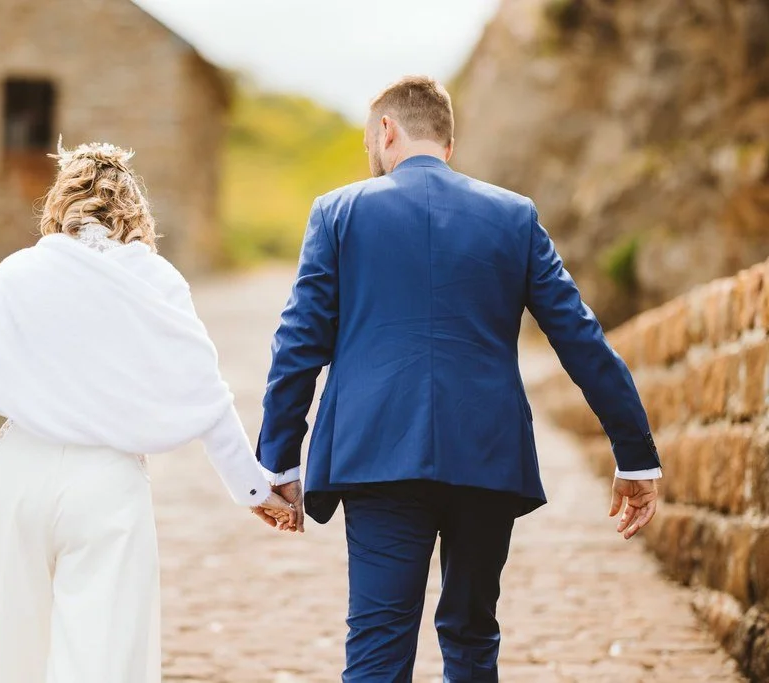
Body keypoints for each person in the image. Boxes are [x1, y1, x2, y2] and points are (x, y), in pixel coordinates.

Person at [256, 76, 663, 682]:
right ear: (448, 143)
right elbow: (580, 339)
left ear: (386, 131)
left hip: (376, 456)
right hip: (486, 455)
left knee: (377, 642)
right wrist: (634, 454)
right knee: (473, 635)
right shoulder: (514, 216)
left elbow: (298, 344)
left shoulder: (338, 213)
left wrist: (278, 463)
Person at [0, 141, 296, 683]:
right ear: (132, 210)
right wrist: (253, 488)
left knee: (20, 651)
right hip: (106, 484)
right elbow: (208, 397)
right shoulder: (158, 281)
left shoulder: (20, 271)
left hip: (18, 476)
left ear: (59, 204)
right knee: (101, 658)